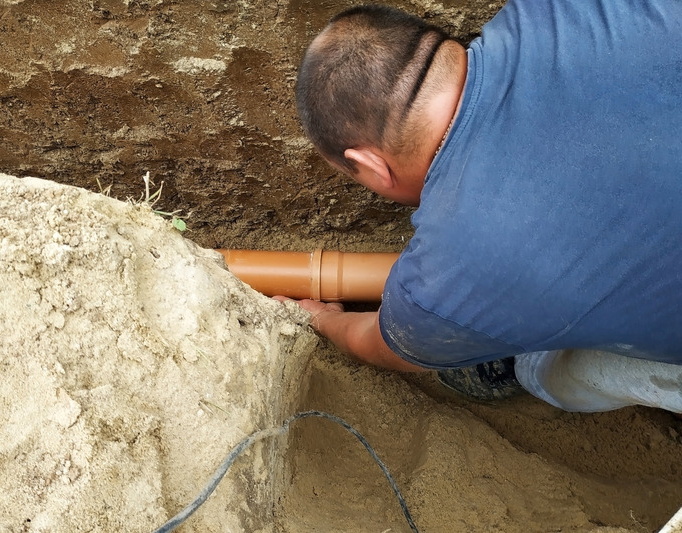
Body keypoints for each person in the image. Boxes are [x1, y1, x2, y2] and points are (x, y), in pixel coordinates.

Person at [280, 2, 682, 413]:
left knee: (544, 369)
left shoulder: (445, 282)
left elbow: (380, 342)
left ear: (370, 165)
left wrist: (321, 320)